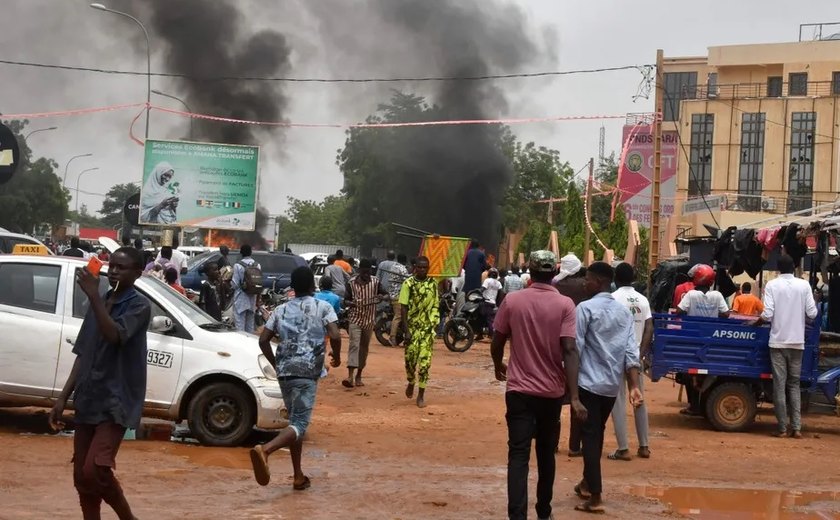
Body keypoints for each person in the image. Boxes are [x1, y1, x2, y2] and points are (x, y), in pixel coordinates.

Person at [49, 247, 151, 520]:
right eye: (112, 265)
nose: (114, 271)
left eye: (122, 267)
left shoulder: (139, 306)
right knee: (81, 478)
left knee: (95, 469)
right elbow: (83, 352)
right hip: (88, 397)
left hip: (116, 401)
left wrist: (93, 296)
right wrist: (62, 398)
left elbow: (115, 336)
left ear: (137, 274)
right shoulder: (100, 300)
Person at [491, 250, 585, 520]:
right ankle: (544, 511)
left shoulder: (512, 301)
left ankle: (517, 515)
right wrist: (575, 396)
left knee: (518, 455)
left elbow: (497, 341)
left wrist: (498, 364)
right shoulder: (566, 305)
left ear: (529, 272)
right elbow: (569, 350)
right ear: (555, 273)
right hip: (551, 393)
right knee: (546, 454)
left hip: (519, 391)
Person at [251, 267, 342, 489]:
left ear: (293, 286)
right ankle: (266, 450)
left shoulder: (280, 310)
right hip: (307, 374)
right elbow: (336, 334)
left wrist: (277, 365)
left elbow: (263, 340)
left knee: (295, 425)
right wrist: (337, 357)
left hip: (285, 374)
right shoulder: (323, 307)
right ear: (312, 286)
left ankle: (298, 475)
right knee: (300, 423)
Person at [574, 261, 643, 514]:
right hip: (610, 387)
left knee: (590, 437)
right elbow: (630, 351)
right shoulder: (623, 313)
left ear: (600, 282)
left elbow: (576, 348)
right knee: (596, 433)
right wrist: (634, 386)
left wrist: (569, 388)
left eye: (589, 279)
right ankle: (585, 483)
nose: (585, 283)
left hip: (588, 384)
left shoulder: (585, 309)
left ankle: (595, 497)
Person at [753, 254, 818, 438]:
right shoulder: (804, 285)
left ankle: (782, 428)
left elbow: (767, 315)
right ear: (794, 266)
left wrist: (757, 322)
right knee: (794, 385)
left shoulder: (772, 285)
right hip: (798, 342)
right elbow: (812, 314)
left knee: (779, 385)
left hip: (778, 342)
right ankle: (796, 428)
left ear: (778, 268)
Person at [608, 263, 653, 461]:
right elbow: (649, 328)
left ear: (615, 278)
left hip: (616, 356)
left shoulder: (612, 299)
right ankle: (644, 446)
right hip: (635, 356)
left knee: (618, 402)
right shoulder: (642, 300)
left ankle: (623, 448)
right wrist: (640, 353)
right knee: (639, 400)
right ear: (633, 277)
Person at [676, 264, 728, 416]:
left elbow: (679, 310)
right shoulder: (717, 296)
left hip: (692, 339)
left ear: (696, 280)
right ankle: (703, 405)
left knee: (688, 372)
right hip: (711, 339)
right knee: (707, 372)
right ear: (711, 282)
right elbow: (726, 314)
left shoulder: (691, 295)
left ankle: (694, 405)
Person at [399, 256, 439, 408]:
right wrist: (406, 330)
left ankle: (421, 394)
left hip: (427, 329)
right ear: (415, 267)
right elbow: (403, 307)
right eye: (420, 267)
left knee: (425, 363)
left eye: (425, 267)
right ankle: (410, 381)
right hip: (412, 328)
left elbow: (435, 304)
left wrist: (434, 323)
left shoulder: (433, 284)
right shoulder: (408, 284)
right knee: (410, 361)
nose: (422, 269)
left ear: (428, 268)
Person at [343, 259, 387, 388]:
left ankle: (359, 375)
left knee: (364, 348)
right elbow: (345, 300)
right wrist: (350, 303)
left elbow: (386, 295)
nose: (367, 274)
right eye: (364, 272)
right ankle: (350, 376)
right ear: (360, 271)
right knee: (354, 345)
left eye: (369, 272)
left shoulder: (376, 282)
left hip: (369, 320)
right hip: (355, 318)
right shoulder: (351, 283)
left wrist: (381, 297)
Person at [378, 251, 409, 346]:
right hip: (398, 296)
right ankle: (392, 337)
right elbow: (408, 280)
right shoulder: (402, 269)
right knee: (399, 316)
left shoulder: (394, 266)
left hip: (392, 294)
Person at [232, 244, 260, 333]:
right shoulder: (257, 265)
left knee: (239, 325)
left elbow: (234, 284)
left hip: (240, 299)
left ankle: (240, 344)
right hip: (252, 299)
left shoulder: (237, 266)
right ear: (251, 252)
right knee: (250, 326)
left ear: (241, 253)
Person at [482, 268, 503, 337]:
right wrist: (498, 304)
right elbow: (500, 294)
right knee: (490, 319)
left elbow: (482, 289)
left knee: (486, 319)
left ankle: (491, 334)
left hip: (486, 301)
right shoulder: (498, 283)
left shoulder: (487, 280)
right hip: (493, 303)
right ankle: (485, 333)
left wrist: (477, 291)